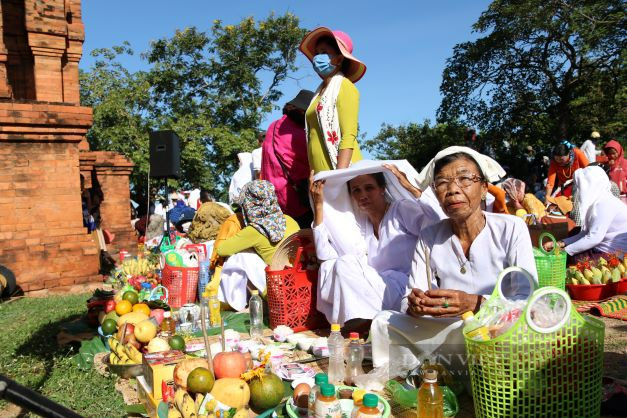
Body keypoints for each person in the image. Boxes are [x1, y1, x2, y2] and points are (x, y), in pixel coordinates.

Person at [371, 147, 537, 377]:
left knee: (507, 332)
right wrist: (415, 306)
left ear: (484, 189)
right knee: (382, 321)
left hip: (497, 327)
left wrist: (476, 303)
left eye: (464, 179)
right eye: (441, 183)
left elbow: (526, 299)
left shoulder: (511, 228)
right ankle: (443, 371)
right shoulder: (429, 236)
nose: (452, 190)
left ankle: (435, 370)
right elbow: (408, 298)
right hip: (450, 329)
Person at [310, 160, 443, 333]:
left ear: (382, 189)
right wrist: (319, 206)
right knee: (333, 265)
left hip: (409, 290)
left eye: (369, 188)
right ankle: (362, 323)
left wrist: (410, 188)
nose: (362, 195)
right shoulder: (362, 225)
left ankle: (364, 324)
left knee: (345, 262)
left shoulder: (400, 210)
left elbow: (437, 224)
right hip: (378, 291)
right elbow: (325, 256)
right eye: (356, 190)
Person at [216, 180, 300, 311]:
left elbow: (221, 250)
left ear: (249, 206)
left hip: (278, 291)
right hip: (298, 284)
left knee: (239, 257)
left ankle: (247, 304)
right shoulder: (290, 220)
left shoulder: (255, 231)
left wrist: (247, 245)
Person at [299, 27, 366, 173]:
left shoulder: (345, 86)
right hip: (319, 174)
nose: (317, 57)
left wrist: (340, 178)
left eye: (324, 52)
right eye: (316, 53)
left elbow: (349, 135)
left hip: (340, 171)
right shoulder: (318, 94)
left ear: (339, 59)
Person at [543, 165, 627, 259]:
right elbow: (585, 233)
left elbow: (593, 238)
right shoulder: (597, 202)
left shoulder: (605, 203)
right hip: (603, 247)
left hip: (616, 253)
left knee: (574, 260)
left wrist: (564, 251)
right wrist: (559, 244)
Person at [261, 89, 316, 228]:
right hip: (297, 201)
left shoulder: (272, 126)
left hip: (274, 201)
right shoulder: (297, 134)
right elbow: (313, 163)